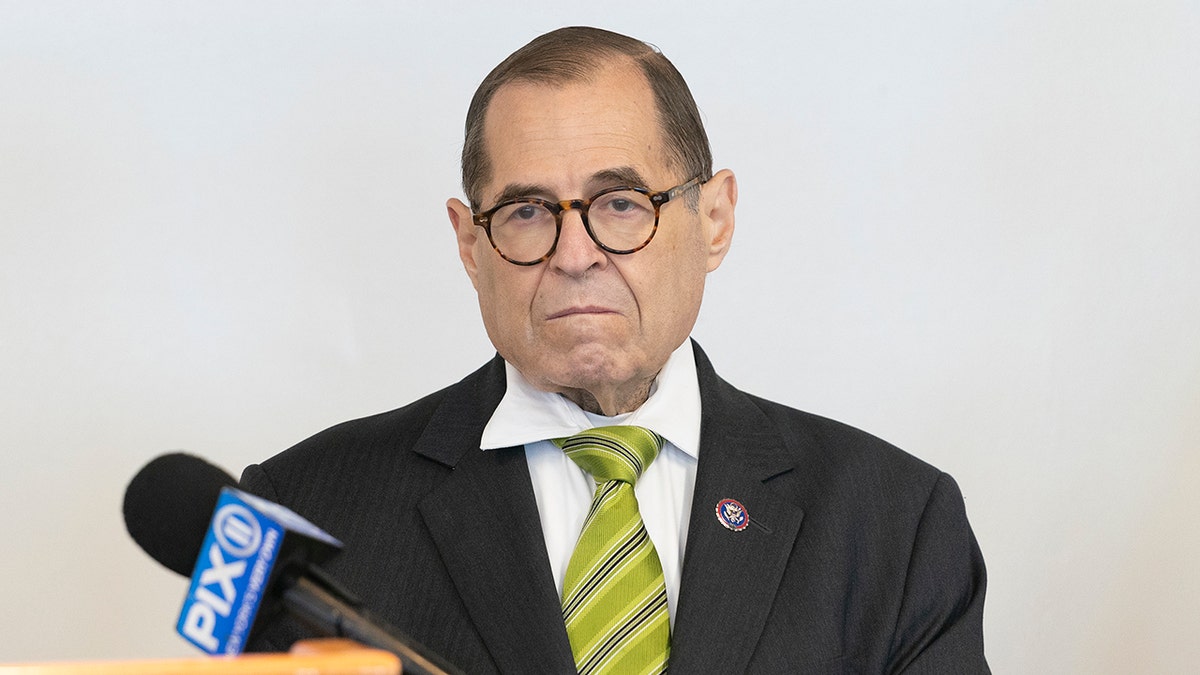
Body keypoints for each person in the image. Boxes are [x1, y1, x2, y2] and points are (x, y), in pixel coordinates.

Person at [241, 26, 989, 673]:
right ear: (471, 245)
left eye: (620, 203)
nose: (575, 254)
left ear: (716, 218)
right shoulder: (300, 514)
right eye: (528, 211)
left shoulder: (895, 522)